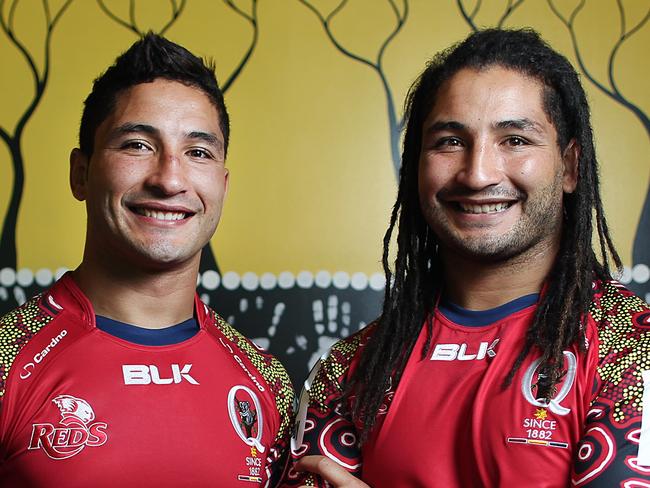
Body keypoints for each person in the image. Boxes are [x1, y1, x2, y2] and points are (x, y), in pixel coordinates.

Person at [283, 28, 650, 487]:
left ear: (571, 166)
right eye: (450, 141)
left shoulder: (635, 352)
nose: (477, 174)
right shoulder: (352, 367)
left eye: (515, 140)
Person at [0, 34, 294, 487]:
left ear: (222, 185)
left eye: (197, 152)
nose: (170, 179)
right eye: (137, 144)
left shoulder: (266, 382)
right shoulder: (9, 363)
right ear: (81, 173)